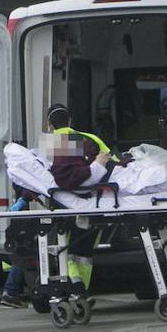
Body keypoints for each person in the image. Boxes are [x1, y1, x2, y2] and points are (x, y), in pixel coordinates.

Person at [44, 103, 110, 297]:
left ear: (49, 124)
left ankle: (77, 290)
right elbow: (112, 163)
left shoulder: (50, 143)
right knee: (84, 252)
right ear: (70, 120)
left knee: (69, 249)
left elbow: (53, 175)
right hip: (96, 200)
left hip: (68, 205)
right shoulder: (91, 138)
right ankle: (81, 291)